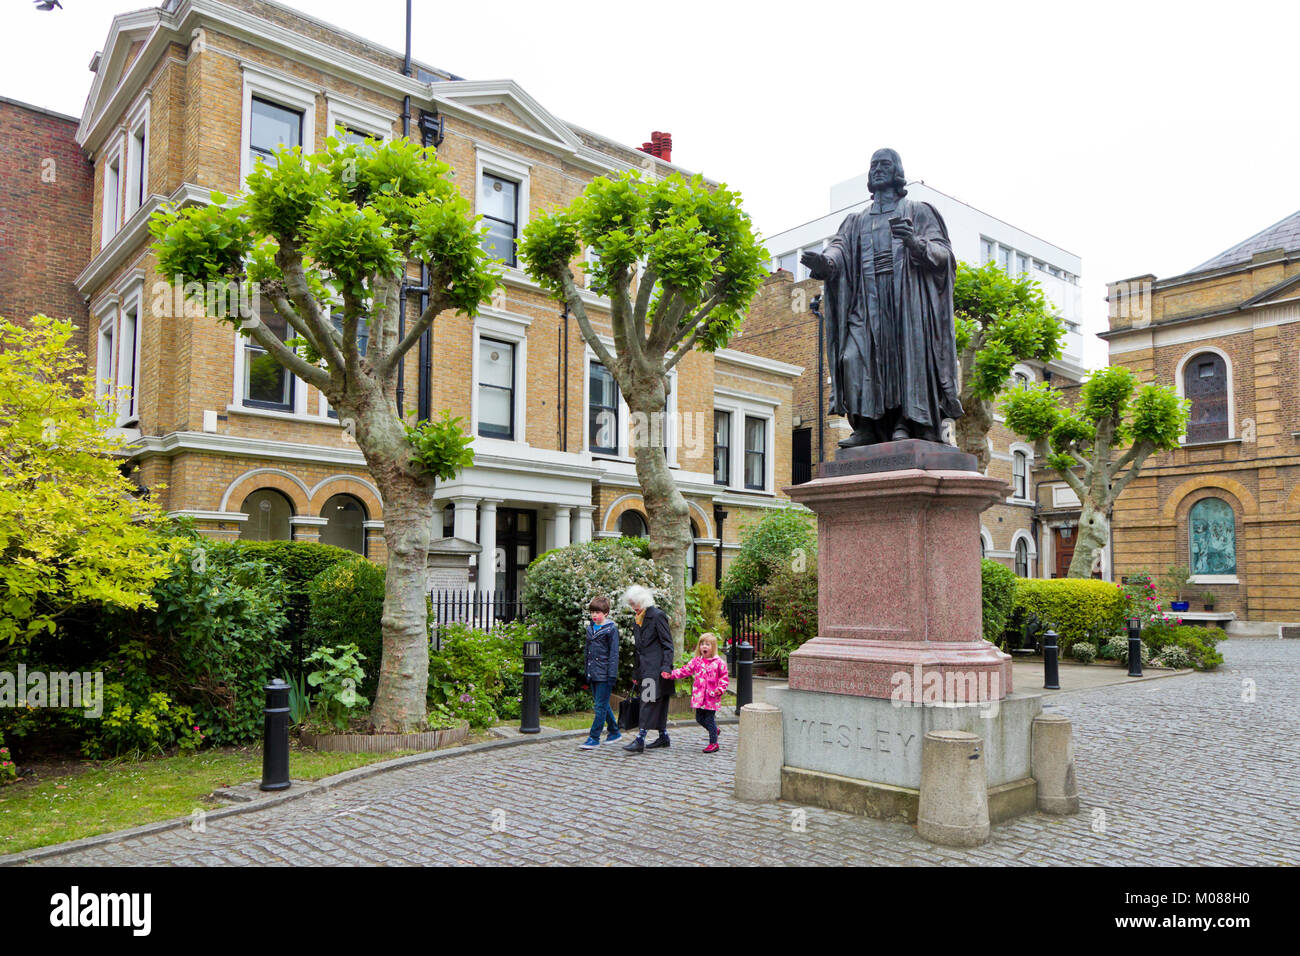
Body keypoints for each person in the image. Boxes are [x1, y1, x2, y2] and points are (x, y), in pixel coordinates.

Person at [801, 147, 963, 448]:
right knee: (853, 357)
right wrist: (826, 263)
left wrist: (914, 242)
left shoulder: (919, 211)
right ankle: (866, 426)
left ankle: (907, 421)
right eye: (873, 165)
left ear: (897, 172)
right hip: (867, 301)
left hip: (906, 301)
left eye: (884, 164)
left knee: (906, 361)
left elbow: (944, 256)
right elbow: (840, 249)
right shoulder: (856, 221)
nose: (877, 169)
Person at [623, 584, 674, 753]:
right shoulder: (637, 620)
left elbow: (668, 644)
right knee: (654, 701)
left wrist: (666, 666)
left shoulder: (657, 616)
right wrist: (636, 673)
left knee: (648, 701)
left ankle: (640, 739)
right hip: (645, 669)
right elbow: (639, 650)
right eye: (631, 604)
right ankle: (663, 736)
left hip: (656, 669)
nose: (633, 608)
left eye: (634, 604)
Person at [662, 632, 728, 753]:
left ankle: (714, 743)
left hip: (712, 696)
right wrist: (671, 674)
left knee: (709, 719)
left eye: (707, 644)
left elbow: (724, 678)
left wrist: (720, 689)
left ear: (713, 647)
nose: (704, 646)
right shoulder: (697, 661)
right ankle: (714, 729)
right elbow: (685, 670)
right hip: (699, 696)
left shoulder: (719, 663)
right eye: (702, 644)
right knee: (699, 718)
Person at [579, 595, 622, 750]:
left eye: (598, 612)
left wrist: (612, 675)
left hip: (605, 674)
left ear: (606, 613)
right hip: (593, 672)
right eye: (592, 612)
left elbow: (614, 654)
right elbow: (587, 652)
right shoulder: (590, 628)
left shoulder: (611, 630)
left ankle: (594, 737)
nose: (594, 615)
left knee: (599, 707)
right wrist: (587, 671)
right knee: (602, 705)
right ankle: (615, 731)